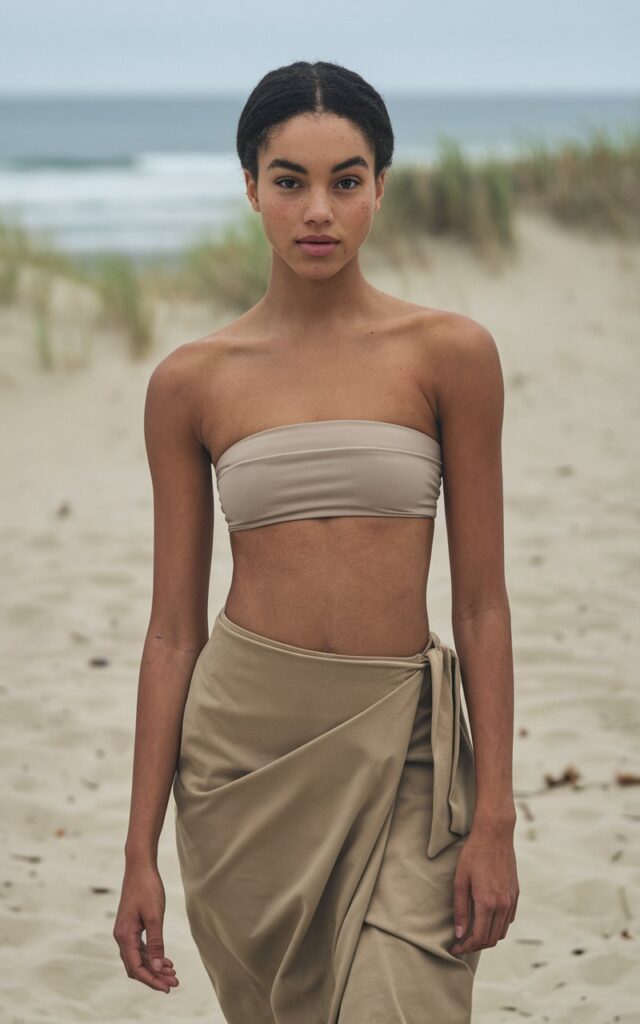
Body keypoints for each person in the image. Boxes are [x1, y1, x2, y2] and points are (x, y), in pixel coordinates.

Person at [113, 59, 519, 1023]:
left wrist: (496, 810)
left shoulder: (449, 355)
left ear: (381, 184)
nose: (318, 211)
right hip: (242, 763)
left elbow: (481, 602)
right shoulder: (192, 382)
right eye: (289, 179)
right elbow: (173, 631)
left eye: (346, 179)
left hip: (407, 752)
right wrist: (138, 849)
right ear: (250, 186)